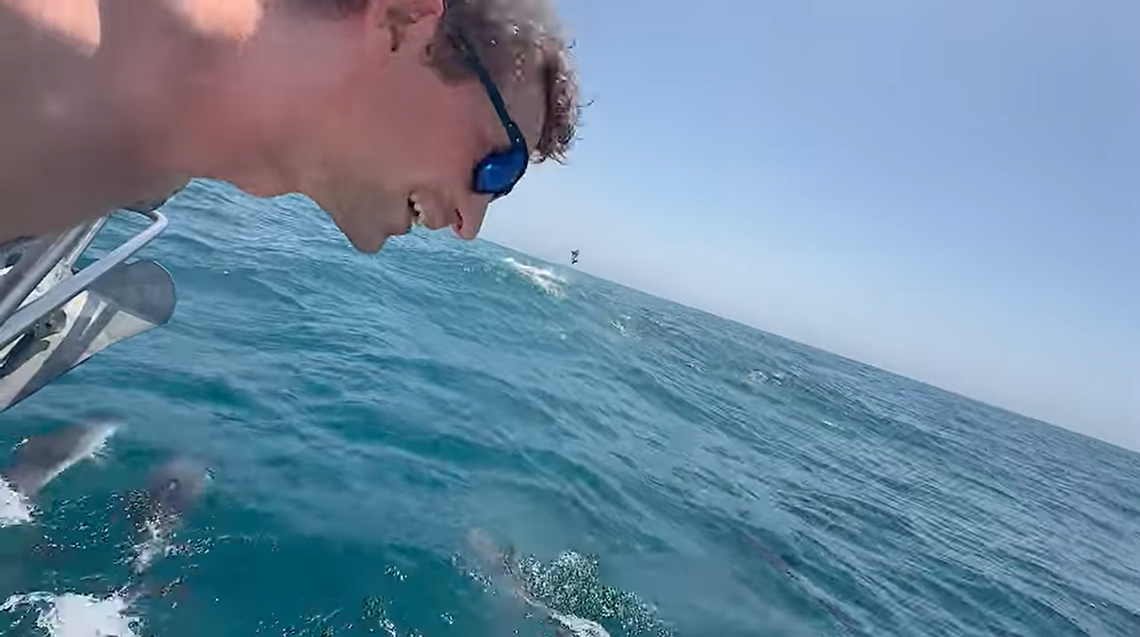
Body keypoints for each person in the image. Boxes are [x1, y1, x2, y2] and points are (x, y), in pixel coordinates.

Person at [0, 0, 580, 252]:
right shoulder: (47, 58)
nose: (469, 225)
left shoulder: (157, 157)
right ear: (404, 23)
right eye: (498, 164)